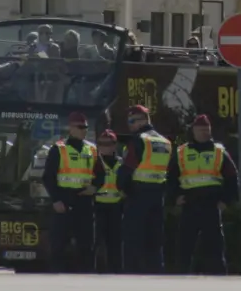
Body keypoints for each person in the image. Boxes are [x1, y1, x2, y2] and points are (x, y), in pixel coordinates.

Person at [167, 114, 239, 274]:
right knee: (184, 249)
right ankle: (181, 282)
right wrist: (175, 197)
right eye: (200, 130)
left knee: (215, 250)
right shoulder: (181, 152)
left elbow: (232, 178)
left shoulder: (218, 152)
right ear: (193, 131)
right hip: (189, 205)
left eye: (206, 130)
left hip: (211, 206)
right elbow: (170, 178)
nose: (203, 133)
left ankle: (219, 283)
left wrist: (225, 201)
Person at [42, 111, 101, 273]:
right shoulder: (59, 149)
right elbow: (48, 177)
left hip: (84, 203)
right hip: (64, 201)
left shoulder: (92, 149)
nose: (84, 130)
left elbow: (101, 174)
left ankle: (87, 277)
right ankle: (56, 276)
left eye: (86, 127)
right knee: (58, 244)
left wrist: (95, 187)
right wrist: (56, 200)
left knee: (86, 244)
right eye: (81, 127)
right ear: (71, 128)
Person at [117, 104, 172, 274]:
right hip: (158, 196)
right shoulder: (165, 142)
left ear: (143, 120)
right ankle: (157, 278)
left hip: (137, 195)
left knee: (133, 241)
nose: (130, 125)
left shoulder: (139, 140)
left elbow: (127, 168)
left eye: (132, 120)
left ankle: (132, 279)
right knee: (154, 242)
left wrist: (122, 187)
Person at [92, 129, 124, 273]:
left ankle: (116, 272)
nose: (105, 146)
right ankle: (94, 271)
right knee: (96, 242)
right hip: (97, 206)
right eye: (101, 144)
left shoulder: (121, 163)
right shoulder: (93, 161)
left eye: (109, 143)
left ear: (114, 145)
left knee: (115, 243)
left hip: (116, 207)